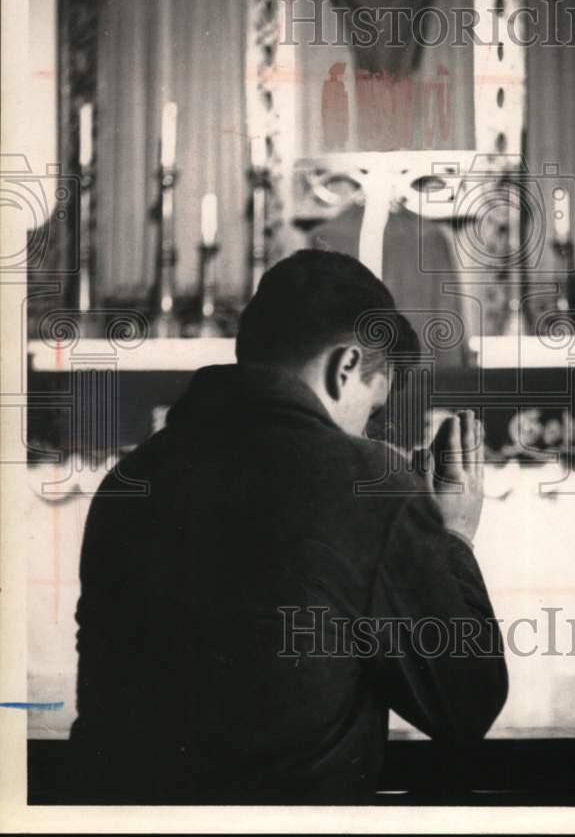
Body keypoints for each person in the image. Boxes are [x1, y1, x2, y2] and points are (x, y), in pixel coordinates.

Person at [70, 250, 507, 804]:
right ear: (345, 366)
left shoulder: (133, 476)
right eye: (372, 412)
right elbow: (467, 705)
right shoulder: (369, 483)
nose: (368, 432)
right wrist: (453, 538)